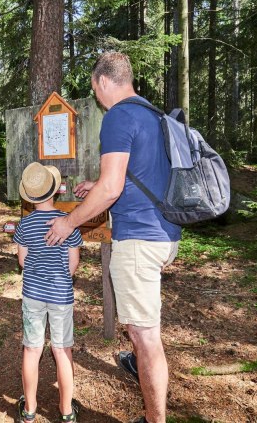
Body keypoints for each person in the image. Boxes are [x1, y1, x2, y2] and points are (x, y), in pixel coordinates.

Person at [45, 52, 180, 423]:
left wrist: (68, 223)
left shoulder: (118, 116)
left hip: (138, 239)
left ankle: (154, 419)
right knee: (143, 330)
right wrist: (98, 184)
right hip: (164, 233)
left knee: (144, 336)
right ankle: (143, 378)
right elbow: (136, 174)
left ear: (103, 81)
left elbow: (111, 189)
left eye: (95, 89)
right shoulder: (152, 113)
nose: (97, 97)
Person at [13, 162, 82, 423]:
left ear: (30, 196)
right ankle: (66, 411)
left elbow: (22, 262)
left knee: (32, 350)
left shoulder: (25, 225)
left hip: (33, 293)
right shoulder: (67, 223)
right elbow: (73, 263)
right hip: (60, 295)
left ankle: (29, 410)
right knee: (62, 350)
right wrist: (60, 277)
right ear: (55, 191)